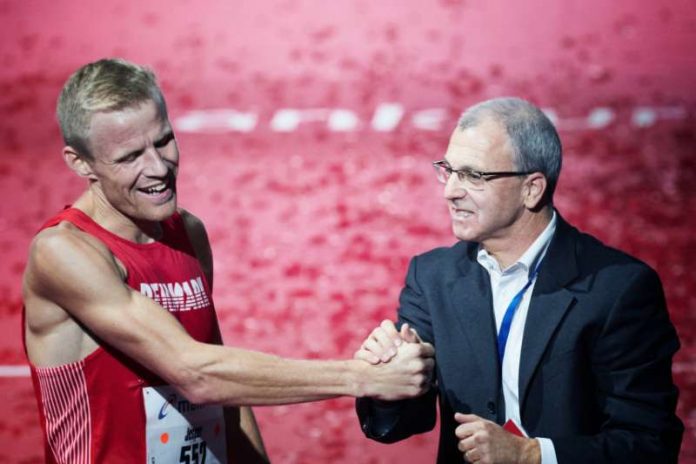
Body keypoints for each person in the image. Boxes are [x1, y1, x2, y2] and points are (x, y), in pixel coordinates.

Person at [22, 58, 435, 464]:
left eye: (163, 140)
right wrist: (361, 377)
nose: (158, 167)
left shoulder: (188, 233)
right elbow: (195, 374)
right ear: (80, 163)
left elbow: (222, 379)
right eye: (130, 157)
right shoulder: (65, 252)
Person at [354, 97, 683, 463]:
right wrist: (390, 380)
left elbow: (649, 444)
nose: (450, 191)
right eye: (449, 170)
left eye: (473, 176)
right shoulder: (432, 278)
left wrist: (532, 454)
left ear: (532, 189)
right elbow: (402, 423)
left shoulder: (618, 289)